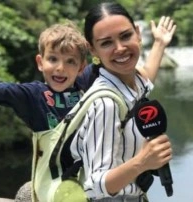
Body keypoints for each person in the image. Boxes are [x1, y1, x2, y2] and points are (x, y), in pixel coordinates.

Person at [0, 16, 175, 202]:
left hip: (91, 184)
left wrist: (159, 43)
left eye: (70, 61)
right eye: (53, 59)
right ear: (40, 62)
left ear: (80, 67)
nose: (60, 67)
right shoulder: (32, 96)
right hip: (56, 190)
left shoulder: (87, 83)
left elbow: (141, 78)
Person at [70, 2, 176, 201]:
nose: (120, 48)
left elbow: (146, 79)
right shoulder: (105, 104)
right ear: (92, 49)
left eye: (126, 36)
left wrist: (160, 43)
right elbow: (94, 186)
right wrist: (142, 162)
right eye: (106, 43)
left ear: (137, 33)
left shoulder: (131, 82)